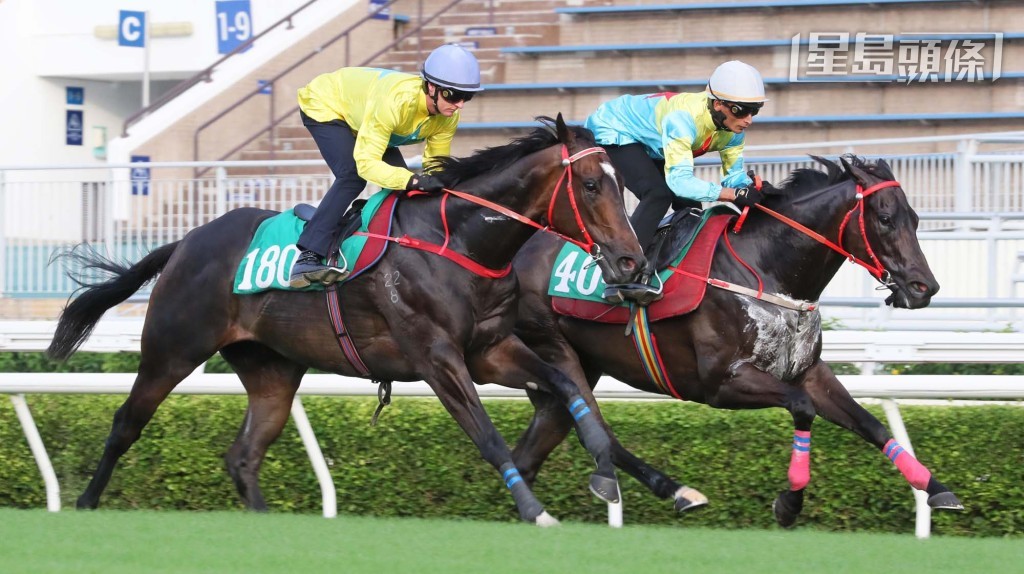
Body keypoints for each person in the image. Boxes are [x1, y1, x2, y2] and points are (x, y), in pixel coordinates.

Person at [288, 44, 484, 288]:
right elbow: (367, 164)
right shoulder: (395, 102)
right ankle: (308, 256)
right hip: (327, 103)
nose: (459, 104)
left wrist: (440, 184)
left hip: (368, 118)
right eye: (453, 95)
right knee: (352, 176)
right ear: (431, 88)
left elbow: (435, 166)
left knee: (402, 188)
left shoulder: (449, 117)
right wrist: (412, 179)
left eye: (467, 97)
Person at [584, 60, 769, 251]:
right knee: (657, 194)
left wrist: (755, 191)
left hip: (651, 142)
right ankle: (626, 265)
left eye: (754, 110)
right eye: (742, 110)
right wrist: (732, 195)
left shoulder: (734, 132)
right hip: (614, 127)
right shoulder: (683, 119)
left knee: (692, 207)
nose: (748, 120)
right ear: (718, 104)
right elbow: (679, 182)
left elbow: (733, 179)